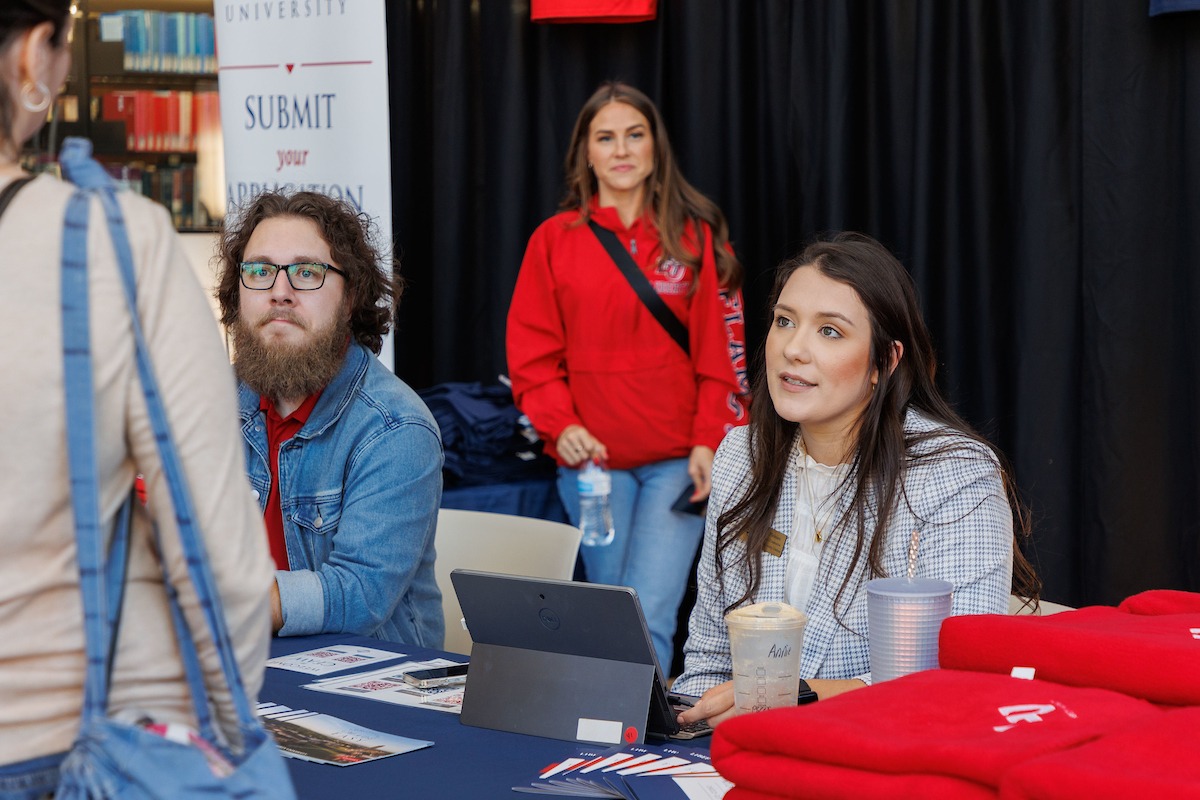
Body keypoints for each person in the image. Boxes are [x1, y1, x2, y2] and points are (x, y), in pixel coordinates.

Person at [0, 1, 274, 793]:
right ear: (32, 58)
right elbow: (217, 556)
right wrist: (230, 743)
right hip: (55, 746)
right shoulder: (107, 243)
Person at [674, 232, 1040, 727]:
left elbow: (960, 674)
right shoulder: (743, 456)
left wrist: (798, 697)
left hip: (884, 754)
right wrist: (683, 730)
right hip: (743, 757)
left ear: (884, 362)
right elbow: (709, 661)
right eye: (784, 321)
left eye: (830, 332)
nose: (793, 350)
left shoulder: (955, 475)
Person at [506, 81, 750, 670]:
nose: (621, 149)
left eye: (634, 135)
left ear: (655, 147)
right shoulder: (554, 240)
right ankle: (600, 743)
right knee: (607, 614)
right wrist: (560, 426)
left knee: (650, 617)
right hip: (593, 467)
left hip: (675, 464)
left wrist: (709, 441)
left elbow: (722, 354)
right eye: (605, 137)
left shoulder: (694, 236)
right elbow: (533, 355)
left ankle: (637, 749)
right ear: (584, 153)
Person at [215, 189, 445, 648]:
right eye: (259, 271)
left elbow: (358, 595)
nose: (280, 293)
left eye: (307, 272)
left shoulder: (396, 429)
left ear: (350, 296)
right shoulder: (208, 401)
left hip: (372, 681)